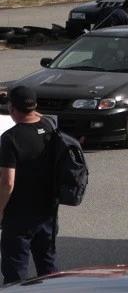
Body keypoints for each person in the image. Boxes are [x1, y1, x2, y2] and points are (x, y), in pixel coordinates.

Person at [0, 86, 60, 284]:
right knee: (49, 269)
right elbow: (38, 117)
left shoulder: (10, 139)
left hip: (18, 217)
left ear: (12, 108)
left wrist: (0, 211)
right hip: (48, 212)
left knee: (16, 274)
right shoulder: (50, 127)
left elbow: (8, 182)